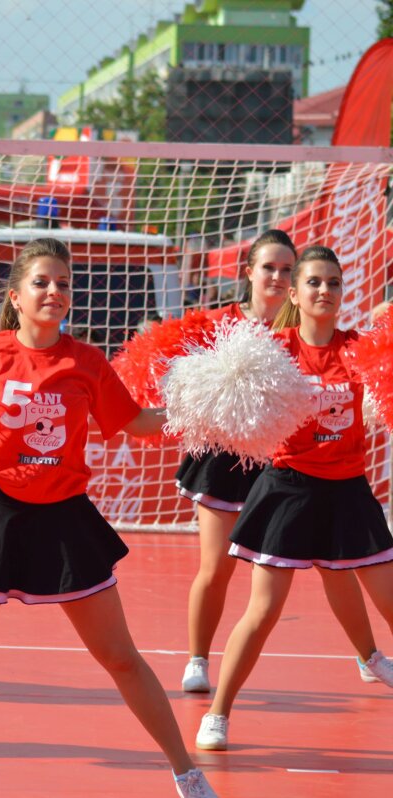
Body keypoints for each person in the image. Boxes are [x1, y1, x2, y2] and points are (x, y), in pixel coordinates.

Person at [0, 238, 217, 798]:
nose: (54, 292)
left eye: (63, 283)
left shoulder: (85, 362)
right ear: (16, 296)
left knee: (120, 656)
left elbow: (137, 421)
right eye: (42, 282)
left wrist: (203, 414)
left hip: (64, 521)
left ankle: (186, 773)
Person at [194, 245, 393, 753]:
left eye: (333, 282)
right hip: (288, 488)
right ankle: (218, 714)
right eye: (314, 283)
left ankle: (370, 657)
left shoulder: (361, 349)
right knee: (263, 611)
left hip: (348, 489)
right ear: (296, 294)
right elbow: (222, 395)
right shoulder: (273, 349)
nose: (324, 291)